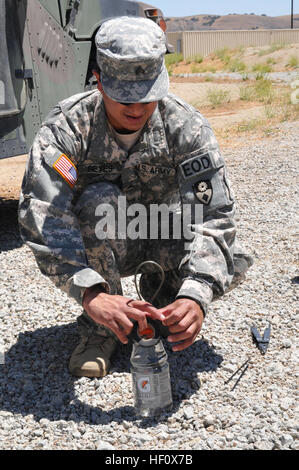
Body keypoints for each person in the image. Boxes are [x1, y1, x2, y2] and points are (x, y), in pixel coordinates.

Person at [18, 16, 253, 378]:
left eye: (148, 94)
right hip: (108, 240)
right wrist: (90, 294)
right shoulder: (66, 128)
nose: (138, 107)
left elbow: (215, 216)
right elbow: (44, 214)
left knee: (229, 257)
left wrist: (197, 293)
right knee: (98, 203)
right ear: (98, 81)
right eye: (124, 96)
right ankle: (102, 327)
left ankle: (163, 300)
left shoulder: (185, 126)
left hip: (164, 235)